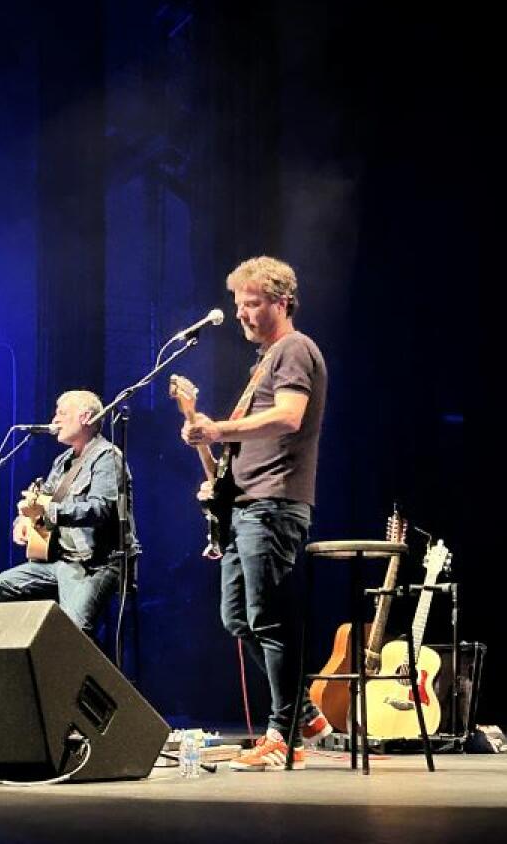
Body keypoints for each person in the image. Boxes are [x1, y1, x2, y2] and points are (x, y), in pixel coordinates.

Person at [181, 256, 330, 771]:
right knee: (237, 618)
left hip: (273, 504)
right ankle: (303, 713)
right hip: (247, 505)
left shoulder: (294, 349)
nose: (242, 314)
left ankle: (282, 734)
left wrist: (219, 428)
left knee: (268, 619)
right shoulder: (264, 363)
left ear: (282, 301)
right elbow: (232, 459)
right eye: (238, 304)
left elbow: (289, 418)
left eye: (253, 303)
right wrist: (206, 437)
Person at [0, 389, 135, 637]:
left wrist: (49, 511)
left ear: (85, 417)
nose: (55, 419)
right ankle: (43, 641)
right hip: (62, 561)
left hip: (97, 563)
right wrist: (24, 521)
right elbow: (43, 500)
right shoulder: (62, 462)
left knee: (74, 631)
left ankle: (66, 649)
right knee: (7, 584)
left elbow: (100, 509)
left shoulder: (107, 458)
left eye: (62, 413)